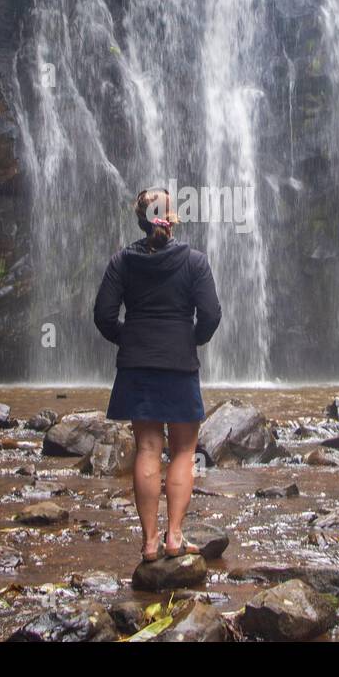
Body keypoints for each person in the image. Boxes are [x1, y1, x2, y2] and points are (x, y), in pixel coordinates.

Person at [93, 187, 222, 562]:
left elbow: (103, 315)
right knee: (183, 451)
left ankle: (149, 542)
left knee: (148, 448)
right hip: (179, 364)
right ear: (173, 218)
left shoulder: (122, 262)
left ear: (139, 219)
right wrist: (190, 340)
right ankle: (175, 537)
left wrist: (128, 339)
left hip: (137, 365)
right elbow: (211, 315)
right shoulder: (195, 262)